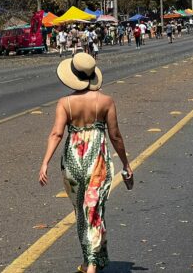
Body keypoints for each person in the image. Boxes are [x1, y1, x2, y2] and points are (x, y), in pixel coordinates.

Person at [39, 52, 133, 273]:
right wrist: (126, 164)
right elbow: (116, 136)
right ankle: (92, 264)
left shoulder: (65, 103)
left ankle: (91, 261)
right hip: (97, 161)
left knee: (82, 212)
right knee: (95, 210)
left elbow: (56, 134)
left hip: (72, 162)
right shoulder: (106, 102)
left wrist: (45, 163)